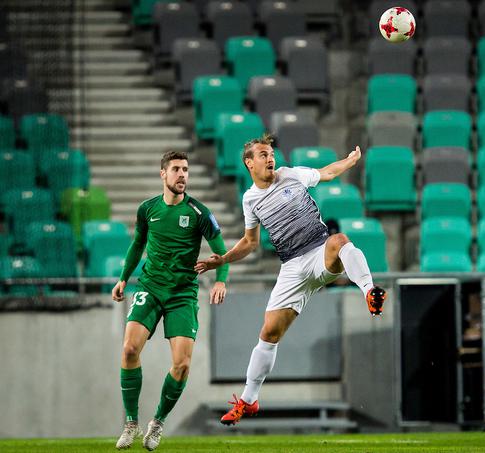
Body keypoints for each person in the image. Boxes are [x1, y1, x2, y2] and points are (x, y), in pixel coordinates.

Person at [194, 135, 387, 426]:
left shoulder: (291, 175)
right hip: (292, 267)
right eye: (262, 154)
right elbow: (250, 242)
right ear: (249, 162)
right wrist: (222, 260)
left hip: (319, 251)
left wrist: (349, 161)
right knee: (269, 332)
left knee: (340, 240)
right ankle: (248, 400)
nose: (270, 158)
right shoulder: (250, 199)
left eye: (270, 153)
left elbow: (327, 172)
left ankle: (370, 292)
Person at [112, 150, 229, 450]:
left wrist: (221, 280)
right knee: (128, 350)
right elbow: (137, 245)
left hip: (182, 294)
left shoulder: (199, 213)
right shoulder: (147, 209)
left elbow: (222, 253)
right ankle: (130, 423)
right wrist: (124, 277)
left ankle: (158, 422)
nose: (182, 175)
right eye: (176, 169)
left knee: (182, 365)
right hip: (150, 287)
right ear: (163, 174)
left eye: (186, 170)